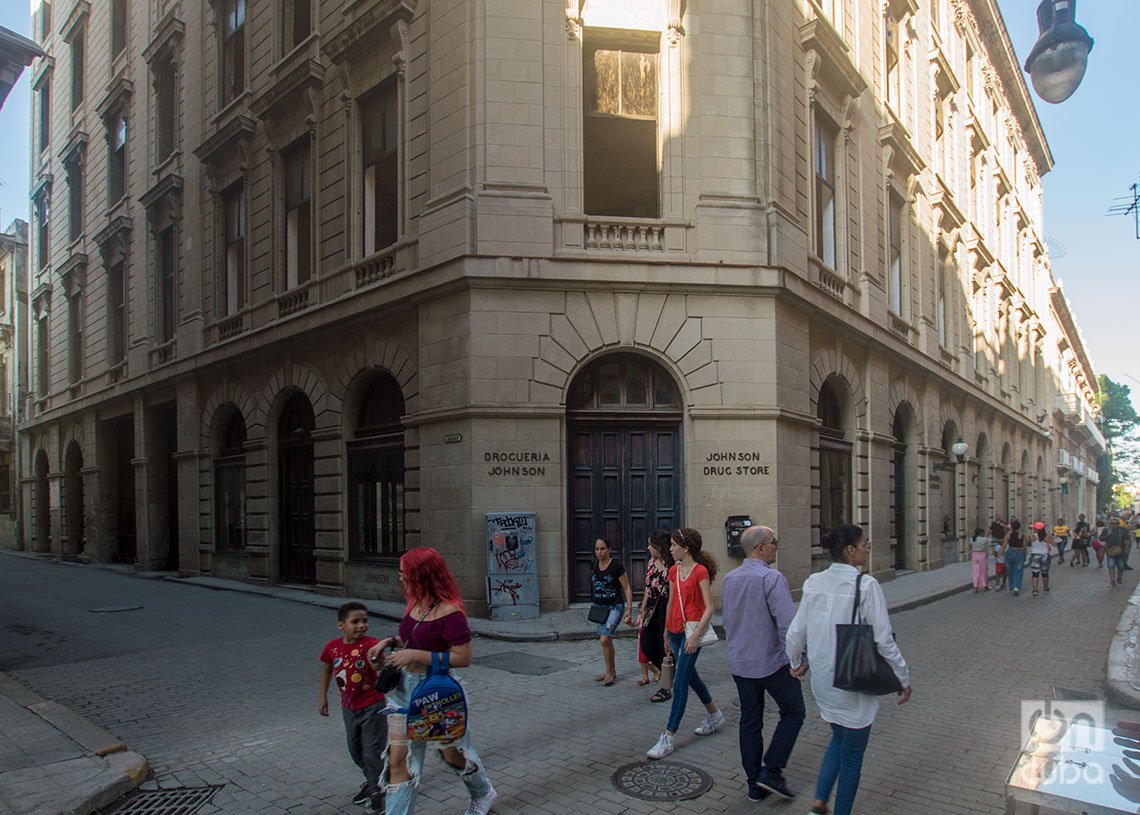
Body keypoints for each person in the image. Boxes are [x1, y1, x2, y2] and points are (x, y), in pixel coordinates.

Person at [786, 524, 912, 815]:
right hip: (854, 678)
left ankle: (819, 802)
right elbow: (883, 639)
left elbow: (795, 633)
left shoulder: (813, 582)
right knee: (853, 755)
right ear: (850, 550)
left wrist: (795, 663)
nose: (869, 549)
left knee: (839, 738)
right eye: (865, 544)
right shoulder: (866, 586)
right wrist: (902, 678)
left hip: (823, 679)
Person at [369, 548, 497, 815]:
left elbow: (463, 657)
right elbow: (415, 637)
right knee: (397, 761)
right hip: (403, 692)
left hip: (435, 693)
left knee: (451, 754)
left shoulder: (451, 613)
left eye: (406, 573)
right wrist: (391, 642)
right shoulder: (416, 602)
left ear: (423, 575)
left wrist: (415, 655)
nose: (401, 578)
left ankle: (483, 793)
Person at [721, 525, 805, 802]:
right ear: (760, 548)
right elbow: (787, 627)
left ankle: (753, 786)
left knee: (749, 722)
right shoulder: (772, 578)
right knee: (794, 712)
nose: (776, 546)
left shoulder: (730, 579)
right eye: (773, 542)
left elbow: (730, 623)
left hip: (741, 663)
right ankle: (771, 771)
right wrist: (798, 660)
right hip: (771, 663)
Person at [646, 528, 725, 760]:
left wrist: (695, 636)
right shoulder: (673, 570)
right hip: (675, 630)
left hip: (692, 632)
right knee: (690, 677)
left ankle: (668, 737)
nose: (670, 548)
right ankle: (714, 714)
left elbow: (709, 607)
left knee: (679, 683)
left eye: (673, 545)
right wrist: (666, 632)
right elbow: (671, 601)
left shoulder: (700, 571)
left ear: (686, 548)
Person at [318, 602, 388, 813]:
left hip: (372, 705)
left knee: (371, 751)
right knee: (355, 749)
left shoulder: (371, 644)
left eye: (365, 621)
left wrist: (376, 660)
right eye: (355, 621)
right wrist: (323, 697)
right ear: (341, 625)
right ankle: (375, 780)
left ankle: (377, 793)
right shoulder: (333, 647)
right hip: (348, 707)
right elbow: (327, 670)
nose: (362, 625)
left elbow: (378, 668)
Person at [636, 529, 673, 702]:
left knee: (664, 646)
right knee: (647, 644)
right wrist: (643, 608)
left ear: (658, 546)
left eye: (651, 544)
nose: (648, 548)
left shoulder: (672, 564)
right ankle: (673, 674)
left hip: (666, 608)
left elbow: (673, 593)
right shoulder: (652, 562)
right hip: (652, 608)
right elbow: (648, 587)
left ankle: (666, 686)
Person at [590, 537, 633, 686]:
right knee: (606, 641)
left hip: (615, 607)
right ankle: (611, 671)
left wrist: (629, 609)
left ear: (609, 549)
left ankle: (610, 673)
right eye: (597, 549)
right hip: (600, 608)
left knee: (605, 638)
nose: (599, 552)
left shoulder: (616, 567)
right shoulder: (594, 564)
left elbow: (626, 587)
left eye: (602, 549)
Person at [1028, 522, 1053, 596]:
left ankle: (1035, 590)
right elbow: (1054, 544)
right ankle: (1045, 588)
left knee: (1035, 573)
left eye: (1034, 528)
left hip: (1035, 555)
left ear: (1036, 529)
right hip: (1045, 555)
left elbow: (1027, 543)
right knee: (1045, 573)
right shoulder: (1047, 537)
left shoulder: (1032, 536)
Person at [1005, 520, 1027, 596]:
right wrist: (1025, 555)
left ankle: (1011, 587)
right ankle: (1016, 587)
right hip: (1019, 552)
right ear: (1019, 527)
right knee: (1018, 570)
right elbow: (1024, 547)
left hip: (1010, 552)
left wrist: (998, 556)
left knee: (1010, 570)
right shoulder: (1022, 535)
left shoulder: (1008, 535)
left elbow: (1004, 546)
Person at [1105, 517, 1128, 588]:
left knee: (1121, 566)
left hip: (1120, 551)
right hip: (1110, 551)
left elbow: (1127, 540)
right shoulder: (1106, 530)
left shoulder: (1122, 530)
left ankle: (1119, 578)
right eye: (1112, 524)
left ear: (1118, 524)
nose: (1114, 525)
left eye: (1115, 524)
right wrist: (1108, 535)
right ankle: (1112, 581)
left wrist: (1127, 549)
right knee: (1111, 566)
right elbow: (1101, 538)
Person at [969, 527, 990, 593]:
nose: (984, 534)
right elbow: (993, 541)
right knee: (984, 571)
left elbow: (970, 547)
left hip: (974, 555)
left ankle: (975, 587)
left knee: (975, 572)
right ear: (981, 533)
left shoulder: (971, 539)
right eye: (983, 533)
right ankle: (985, 585)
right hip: (982, 555)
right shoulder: (984, 539)